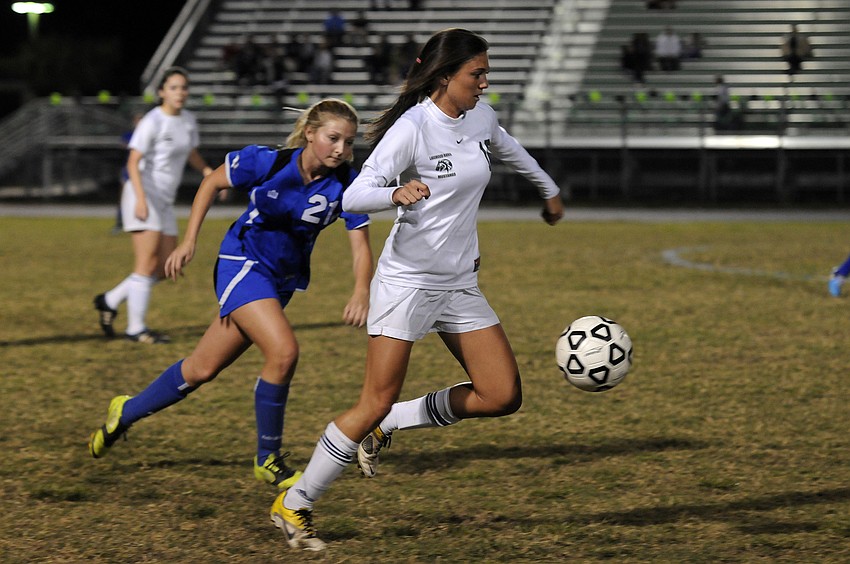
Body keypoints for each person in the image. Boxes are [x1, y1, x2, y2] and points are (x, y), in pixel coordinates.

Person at [269, 28, 564, 551]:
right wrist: (395, 192)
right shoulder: (412, 128)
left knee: (501, 395)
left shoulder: (480, 116)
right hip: (407, 283)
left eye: (485, 72)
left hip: (459, 283)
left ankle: (392, 425)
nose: (484, 82)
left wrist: (549, 190)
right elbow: (356, 196)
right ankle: (295, 503)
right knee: (371, 401)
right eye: (477, 74)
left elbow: (511, 149)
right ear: (447, 76)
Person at [88, 99, 373, 492]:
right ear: (310, 133)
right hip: (241, 263)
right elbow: (211, 182)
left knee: (201, 370)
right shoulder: (267, 162)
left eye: (348, 141)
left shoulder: (348, 184)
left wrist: (361, 289)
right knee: (284, 352)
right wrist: (189, 242)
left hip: (281, 282)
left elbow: (360, 245)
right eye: (333, 138)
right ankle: (268, 459)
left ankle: (125, 411)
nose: (341, 149)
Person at [93, 67, 213, 344]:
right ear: (161, 92)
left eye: (183, 87)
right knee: (146, 265)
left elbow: (191, 152)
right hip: (143, 195)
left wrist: (208, 172)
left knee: (165, 267)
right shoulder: (152, 121)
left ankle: (109, 300)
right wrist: (141, 200)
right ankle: (136, 329)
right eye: (173, 87)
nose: (180, 92)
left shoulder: (188, 121)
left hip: (165, 201)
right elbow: (133, 162)